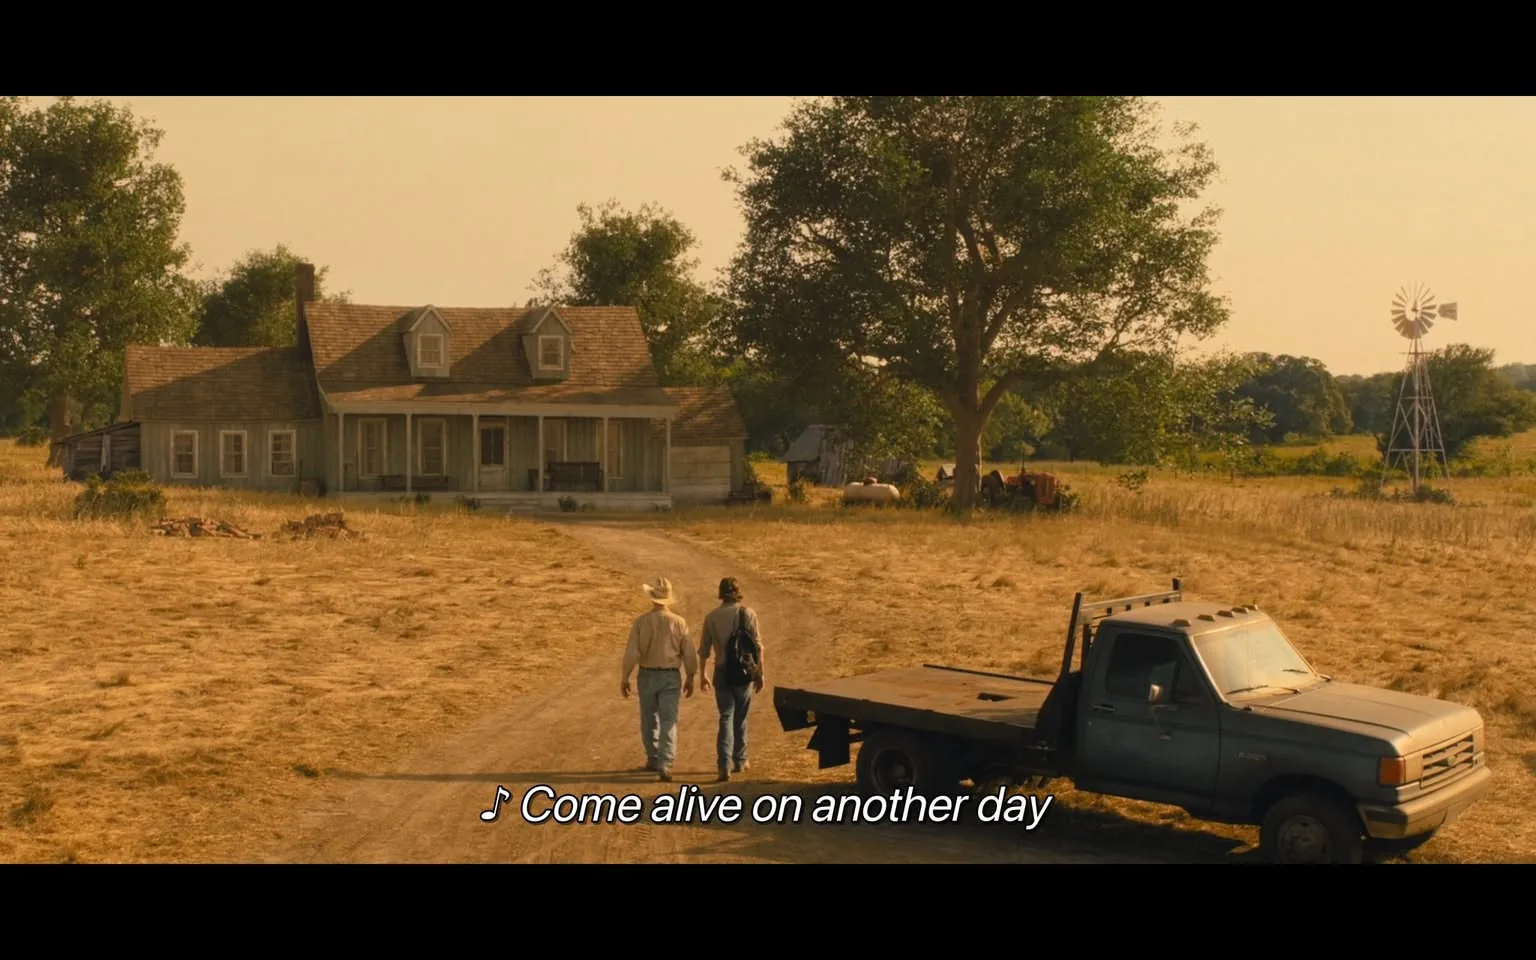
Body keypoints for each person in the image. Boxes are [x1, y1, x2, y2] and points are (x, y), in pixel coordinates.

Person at [621, 576, 698, 782]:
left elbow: (632, 652)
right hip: (670, 675)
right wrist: (691, 675)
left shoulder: (642, 622)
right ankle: (665, 762)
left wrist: (625, 676)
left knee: (649, 719)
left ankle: (653, 758)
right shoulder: (679, 623)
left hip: (646, 674)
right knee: (668, 720)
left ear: (652, 598)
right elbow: (689, 653)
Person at [699, 577, 765, 783]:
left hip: (722, 672)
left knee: (725, 717)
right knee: (741, 718)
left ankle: (723, 765)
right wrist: (759, 673)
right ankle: (740, 759)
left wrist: (702, 674)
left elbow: (704, 651)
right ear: (737, 592)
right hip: (744, 673)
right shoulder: (748, 614)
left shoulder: (711, 617)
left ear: (720, 593)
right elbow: (758, 647)